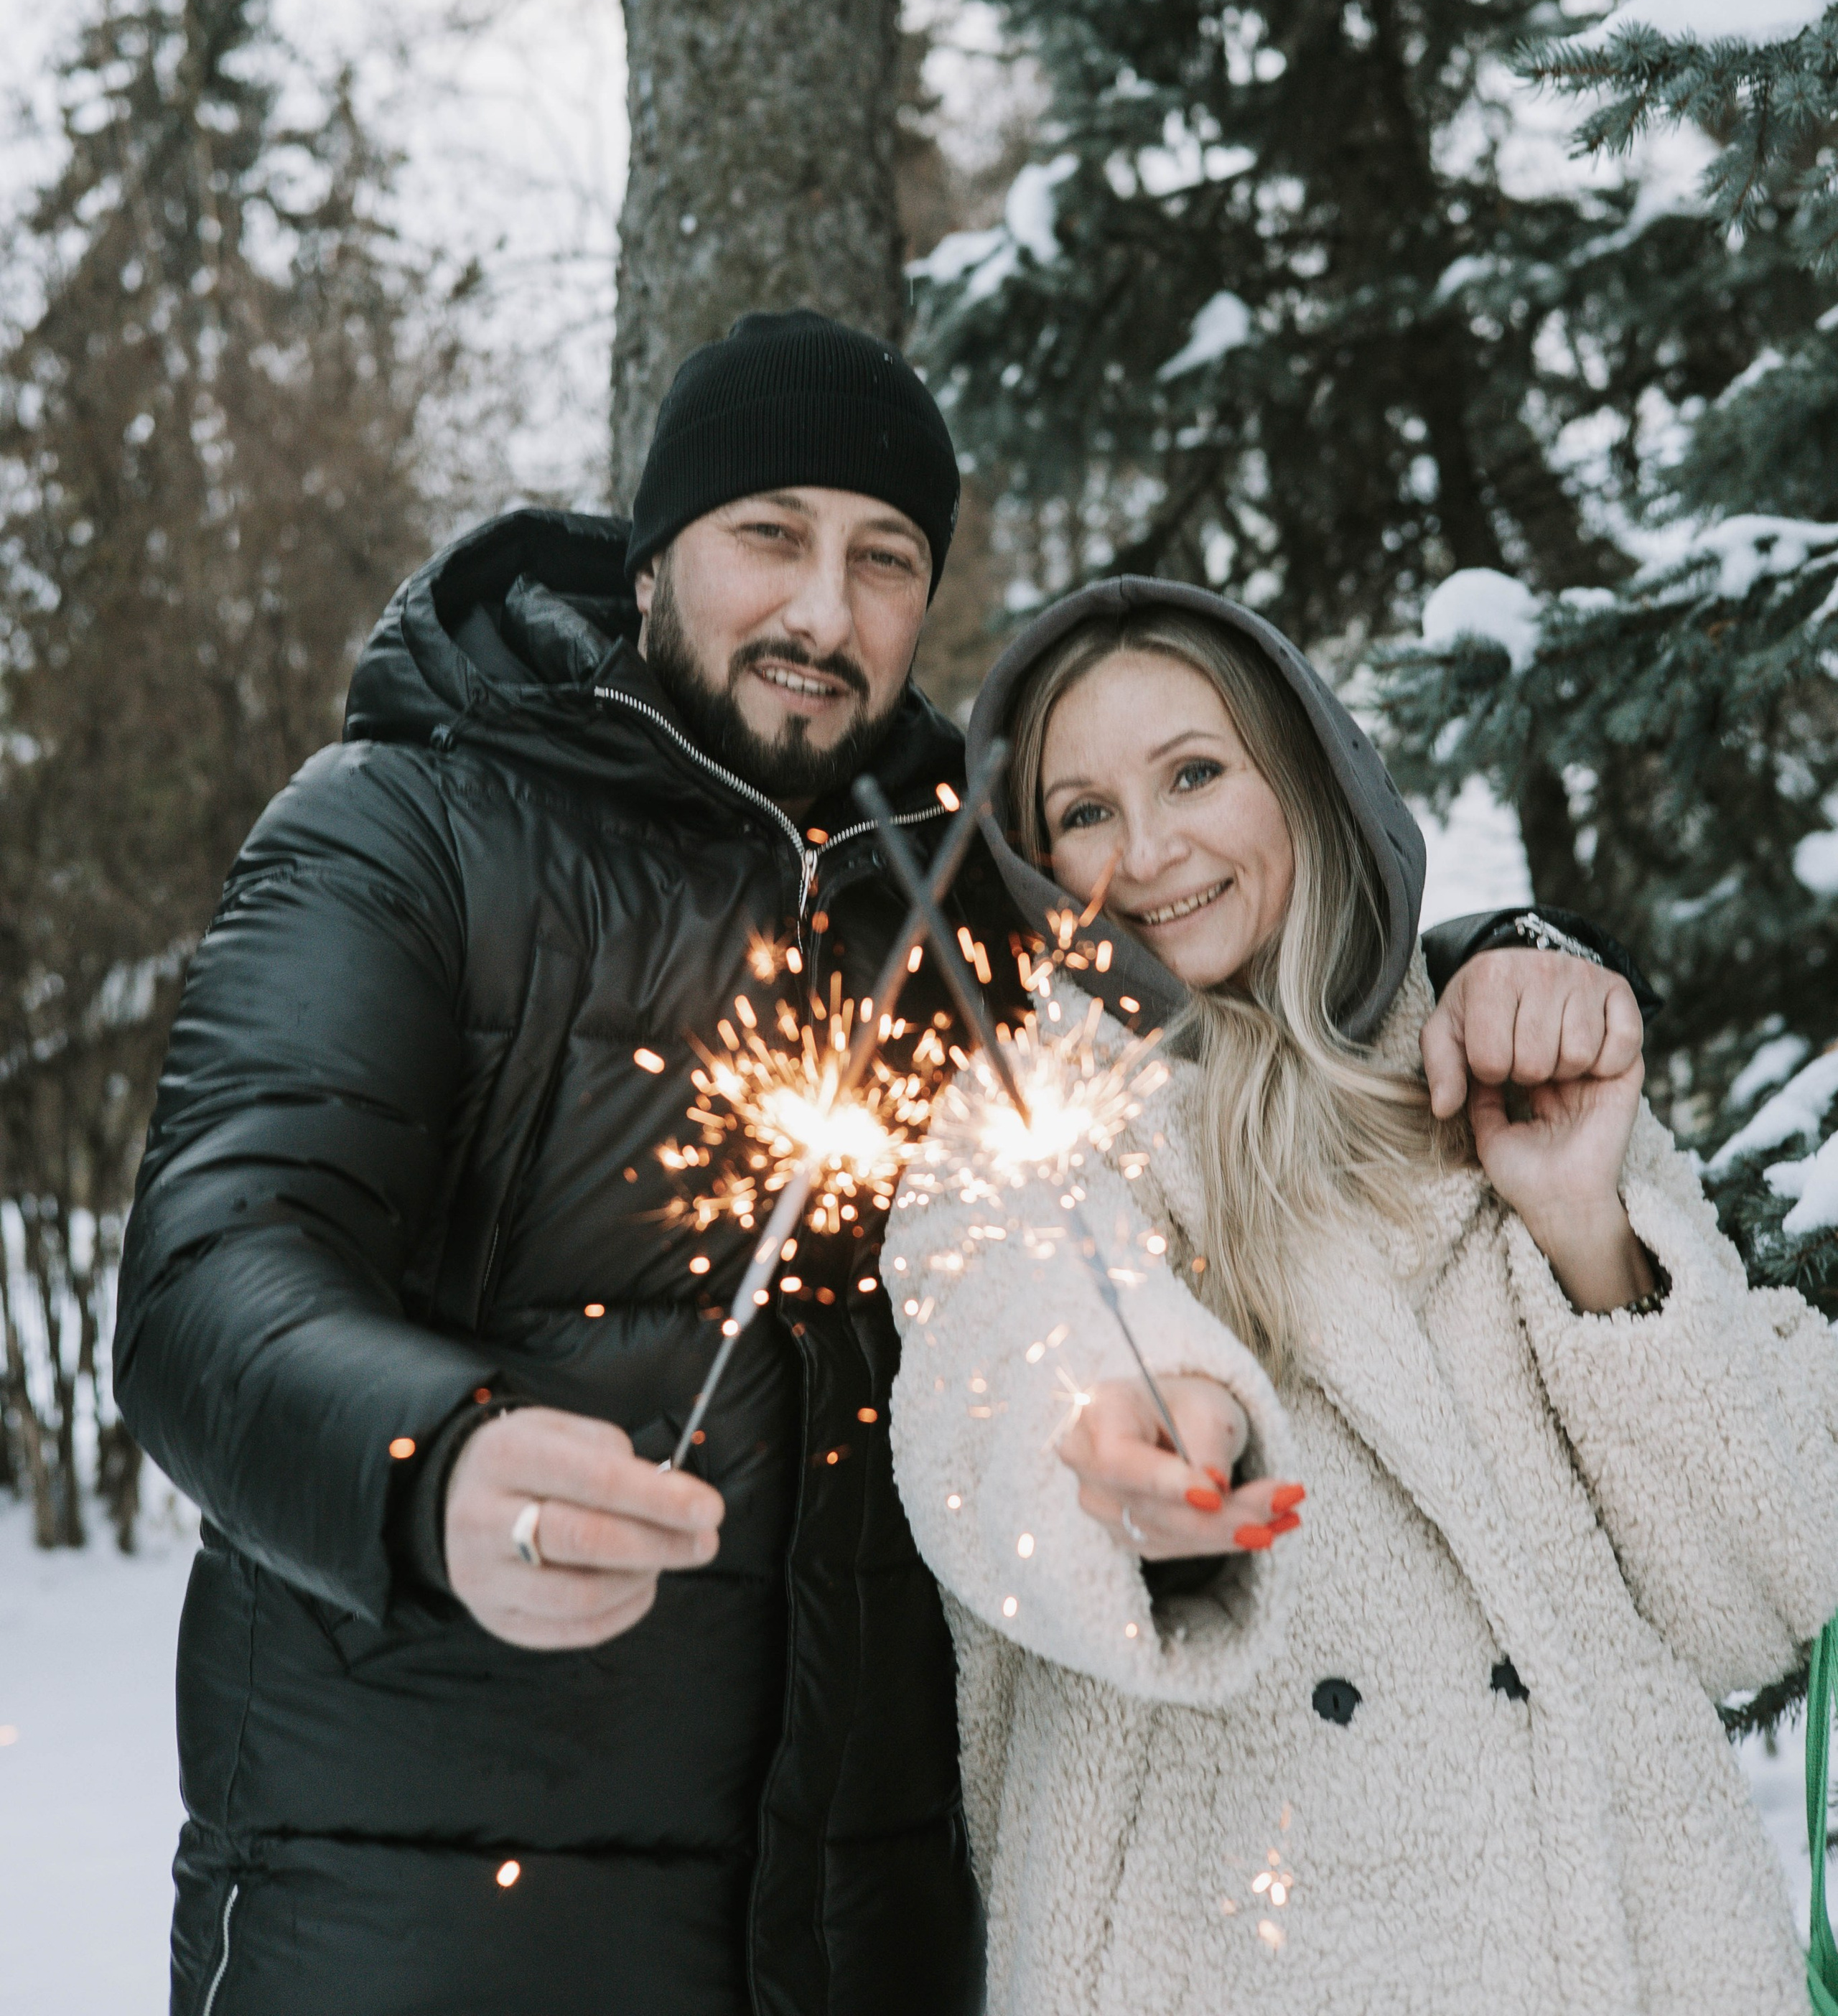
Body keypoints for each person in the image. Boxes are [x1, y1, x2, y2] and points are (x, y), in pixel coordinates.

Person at [117, 315, 1642, 2016]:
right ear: (651, 558)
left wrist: (1518, 959)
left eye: (883, 559)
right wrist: (428, 1467)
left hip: (862, 1931)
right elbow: (212, 1268)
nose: (821, 615)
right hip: (425, 1915)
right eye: (766, 535)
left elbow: (1266, 973)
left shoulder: (966, 889)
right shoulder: (407, 827)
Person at [887, 577, 1838, 2016]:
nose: (1144, 852)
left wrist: (1582, 1220)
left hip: (1631, 1949)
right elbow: (998, 1350)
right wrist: (1125, 1434)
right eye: (1081, 814)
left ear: (1308, 782)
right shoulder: (1020, 1123)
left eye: (1193, 772)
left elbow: (1751, 1599)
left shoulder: (1509, 1074)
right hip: (1206, 1947)